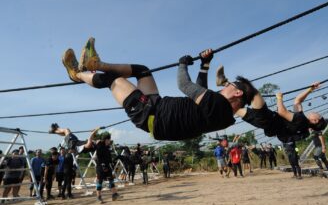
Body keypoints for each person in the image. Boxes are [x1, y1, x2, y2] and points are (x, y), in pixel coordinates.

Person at [61, 37, 250, 141]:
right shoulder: (224, 117)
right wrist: (205, 65)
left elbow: (184, 85)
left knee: (114, 81)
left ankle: (76, 74)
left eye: (230, 85)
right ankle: (97, 63)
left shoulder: (219, 104)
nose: (226, 86)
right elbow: (200, 92)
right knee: (143, 71)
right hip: (157, 108)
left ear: (237, 93)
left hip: (151, 115)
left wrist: (182, 64)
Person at [216, 67, 328, 143]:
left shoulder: (301, 120)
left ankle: (225, 82)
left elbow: (282, 112)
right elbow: (298, 101)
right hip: (265, 124)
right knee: (234, 107)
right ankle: (216, 96)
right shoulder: (303, 126)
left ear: (315, 121)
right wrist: (311, 89)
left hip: (268, 119)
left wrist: (279, 98)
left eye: (318, 115)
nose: (316, 113)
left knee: (251, 92)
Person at [81, 128, 122, 203]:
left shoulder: (107, 146)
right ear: (105, 139)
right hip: (101, 166)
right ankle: (99, 197)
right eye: (109, 139)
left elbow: (108, 157)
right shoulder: (99, 145)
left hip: (107, 166)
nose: (110, 141)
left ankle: (114, 195)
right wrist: (95, 130)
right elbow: (93, 138)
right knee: (100, 182)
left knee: (111, 180)